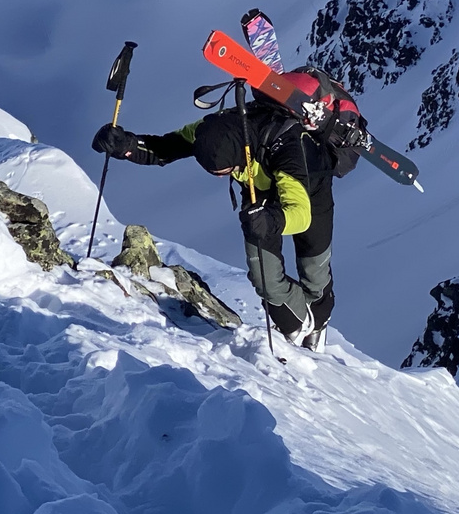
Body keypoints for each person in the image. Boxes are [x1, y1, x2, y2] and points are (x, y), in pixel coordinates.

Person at [91, 72, 362, 350]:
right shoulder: (208, 130)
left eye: (229, 170)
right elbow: (165, 148)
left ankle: (317, 319)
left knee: (314, 274)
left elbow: (301, 215)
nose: (224, 177)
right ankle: (298, 327)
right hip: (260, 200)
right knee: (264, 280)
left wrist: (270, 221)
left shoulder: (287, 146)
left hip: (309, 192)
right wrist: (125, 145)